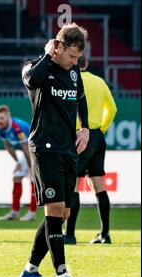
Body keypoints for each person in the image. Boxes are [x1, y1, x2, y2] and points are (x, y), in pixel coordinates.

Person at [19, 23, 90, 277]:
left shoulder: (73, 72)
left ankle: (30, 271)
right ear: (58, 47)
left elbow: (80, 98)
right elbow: (32, 81)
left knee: (64, 213)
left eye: (78, 57)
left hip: (68, 149)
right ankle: (62, 276)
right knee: (55, 210)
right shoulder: (36, 66)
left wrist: (84, 127)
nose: (75, 62)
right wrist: (48, 56)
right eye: (72, 56)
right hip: (44, 148)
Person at [64, 52, 118, 245]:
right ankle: (105, 234)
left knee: (74, 185)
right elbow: (112, 109)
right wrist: (101, 128)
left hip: (80, 136)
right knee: (99, 184)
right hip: (97, 136)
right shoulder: (100, 82)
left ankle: (69, 235)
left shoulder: (73, 81)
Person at [0, 105, 38, 221]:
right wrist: (18, 162)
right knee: (16, 177)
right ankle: (15, 212)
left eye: (1, 118)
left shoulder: (17, 127)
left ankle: (32, 213)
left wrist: (30, 167)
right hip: (26, 152)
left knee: (33, 179)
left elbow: (26, 147)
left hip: (36, 150)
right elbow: (7, 145)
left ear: (8, 116)